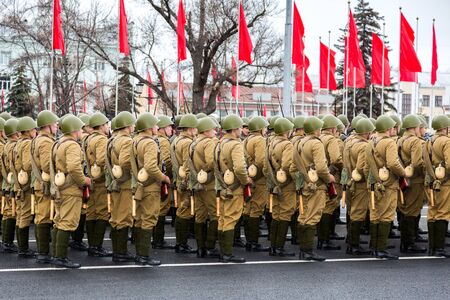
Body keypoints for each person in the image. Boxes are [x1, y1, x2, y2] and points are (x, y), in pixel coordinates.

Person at [291, 116, 333, 261]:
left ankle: (304, 250)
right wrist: (329, 179)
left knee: (303, 216)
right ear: (316, 129)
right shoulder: (316, 143)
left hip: (304, 185)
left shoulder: (298, 143)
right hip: (317, 186)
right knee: (312, 216)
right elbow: (321, 167)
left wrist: (302, 182)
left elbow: (292, 168)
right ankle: (307, 251)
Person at [51, 115, 91, 268]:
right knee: (67, 222)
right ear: (74, 130)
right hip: (70, 189)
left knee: (59, 221)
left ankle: (56, 255)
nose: (81, 131)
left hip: (61, 187)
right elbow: (74, 167)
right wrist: (83, 182)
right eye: (80, 128)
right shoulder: (72, 145)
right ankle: (60, 257)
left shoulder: (58, 143)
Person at [365, 115, 405, 260]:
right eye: (393, 127)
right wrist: (403, 173)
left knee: (375, 214)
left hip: (374, 183)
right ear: (389, 129)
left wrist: (372, 182)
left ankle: (374, 247)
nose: (394, 129)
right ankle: (381, 248)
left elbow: (366, 166)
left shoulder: (371, 142)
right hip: (388, 184)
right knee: (387, 215)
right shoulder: (389, 142)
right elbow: (393, 163)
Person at [132, 113, 170, 265]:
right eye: (155, 125)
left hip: (141, 184)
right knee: (148, 219)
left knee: (140, 219)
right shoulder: (149, 143)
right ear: (148, 128)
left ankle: (139, 254)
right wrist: (164, 178)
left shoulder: (135, 141)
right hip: (150, 187)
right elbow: (151, 166)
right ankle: (144, 255)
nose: (157, 127)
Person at [215, 114, 251, 263]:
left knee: (223, 218)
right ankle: (227, 253)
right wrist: (245, 181)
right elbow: (240, 168)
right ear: (235, 129)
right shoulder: (236, 144)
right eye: (240, 127)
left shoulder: (219, 143)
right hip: (234, 187)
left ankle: (223, 251)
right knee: (230, 218)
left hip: (223, 185)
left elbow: (215, 165)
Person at [187, 117, 220, 258]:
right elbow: (211, 162)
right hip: (209, 184)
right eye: (213, 129)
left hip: (197, 183)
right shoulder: (208, 143)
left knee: (199, 215)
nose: (215, 131)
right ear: (206, 130)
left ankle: (200, 248)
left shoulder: (193, 143)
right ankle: (210, 246)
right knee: (215, 214)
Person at [82, 112, 113, 257]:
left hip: (91, 178)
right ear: (101, 126)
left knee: (91, 212)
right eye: (106, 124)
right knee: (102, 213)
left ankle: (92, 245)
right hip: (100, 180)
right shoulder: (101, 139)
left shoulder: (88, 139)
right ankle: (96, 245)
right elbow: (102, 159)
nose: (107, 126)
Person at [264, 117, 296, 257]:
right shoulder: (287, 145)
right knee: (284, 214)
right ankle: (279, 247)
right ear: (286, 131)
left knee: (276, 214)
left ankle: (274, 246)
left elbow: (266, 167)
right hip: (286, 185)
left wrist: (274, 181)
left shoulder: (271, 143)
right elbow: (287, 166)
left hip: (274, 181)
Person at [108, 111, 136, 262]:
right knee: (124, 218)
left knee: (116, 217)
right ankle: (121, 252)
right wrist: (136, 168)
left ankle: (117, 251)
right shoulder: (126, 141)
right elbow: (125, 161)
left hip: (115, 181)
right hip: (124, 183)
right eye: (131, 124)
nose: (133, 127)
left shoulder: (112, 140)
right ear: (126, 126)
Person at [31, 110, 59, 263]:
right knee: (44, 216)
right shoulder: (46, 142)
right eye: (54, 124)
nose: (56, 126)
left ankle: (43, 251)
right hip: (45, 185)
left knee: (42, 215)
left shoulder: (38, 139)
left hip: (39, 184)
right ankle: (43, 252)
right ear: (47, 125)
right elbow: (47, 166)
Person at [343, 118, 374, 255]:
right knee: (358, 213)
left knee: (352, 211)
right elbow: (362, 167)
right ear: (366, 132)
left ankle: (351, 240)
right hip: (360, 183)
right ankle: (353, 245)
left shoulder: (349, 141)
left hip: (349, 180)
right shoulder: (363, 145)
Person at [397, 114, 427, 254]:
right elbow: (418, 163)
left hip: (404, 178)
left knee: (405, 209)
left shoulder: (401, 139)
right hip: (415, 179)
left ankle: (406, 241)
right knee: (412, 211)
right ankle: (409, 242)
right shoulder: (415, 141)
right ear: (415, 127)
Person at [243, 116, 270, 252]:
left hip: (249, 176)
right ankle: (253, 242)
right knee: (257, 208)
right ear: (260, 128)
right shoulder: (259, 140)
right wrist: (257, 177)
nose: (265, 129)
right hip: (258, 180)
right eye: (264, 127)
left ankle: (249, 241)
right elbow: (260, 162)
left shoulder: (247, 139)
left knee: (248, 208)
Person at [172, 114, 198, 254]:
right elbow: (188, 164)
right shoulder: (187, 142)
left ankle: (180, 242)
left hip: (179, 180)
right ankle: (181, 243)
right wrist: (188, 181)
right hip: (185, 182)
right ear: (191, 128)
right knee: (185, 211)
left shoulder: (177, 140)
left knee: (181, 211)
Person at [317, 115, 343, 251]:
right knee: (329, 206)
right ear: (333, 129)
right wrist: (343, 169)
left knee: (322, 206)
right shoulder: (332, 140)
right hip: (332, 177)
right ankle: (324, 239)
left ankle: (322, 238)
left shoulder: (319, 138)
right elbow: (336, 159)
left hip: (320, 177)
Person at [425, 115, 450, 257]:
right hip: (444, 182)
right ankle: (439, 247)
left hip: (432, 179)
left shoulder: (430, 141)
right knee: (442, 212)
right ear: (445, 127)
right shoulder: (446, 141)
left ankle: (432, 246)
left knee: (432, 212)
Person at [14, 117, 38, 258]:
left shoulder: (18, 143)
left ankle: (21, 247)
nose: (35, 130)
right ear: (28, 130)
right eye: (34, 128)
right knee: (25, 214)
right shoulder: (27, 143)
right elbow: (28, 165)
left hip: (19, 181)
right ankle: (23, 248)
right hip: (27, 183)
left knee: (21, 213)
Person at [153, 116, 175, 249]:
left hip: (156, 178)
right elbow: (167, 161)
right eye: (168, 126)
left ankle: (156, 238)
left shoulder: (155, 139)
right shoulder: (164, 142)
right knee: (162, 209)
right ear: (161, 128)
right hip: (164, 179)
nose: (171, 129)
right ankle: (158, 240)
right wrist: (169, 177)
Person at [1, 118, 20, 253]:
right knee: (12, 212)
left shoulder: (6, 145)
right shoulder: (10, 146)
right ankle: (7, 242)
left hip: (7, 182)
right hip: (11, 182)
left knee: (9, 212)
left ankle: (7, 242)